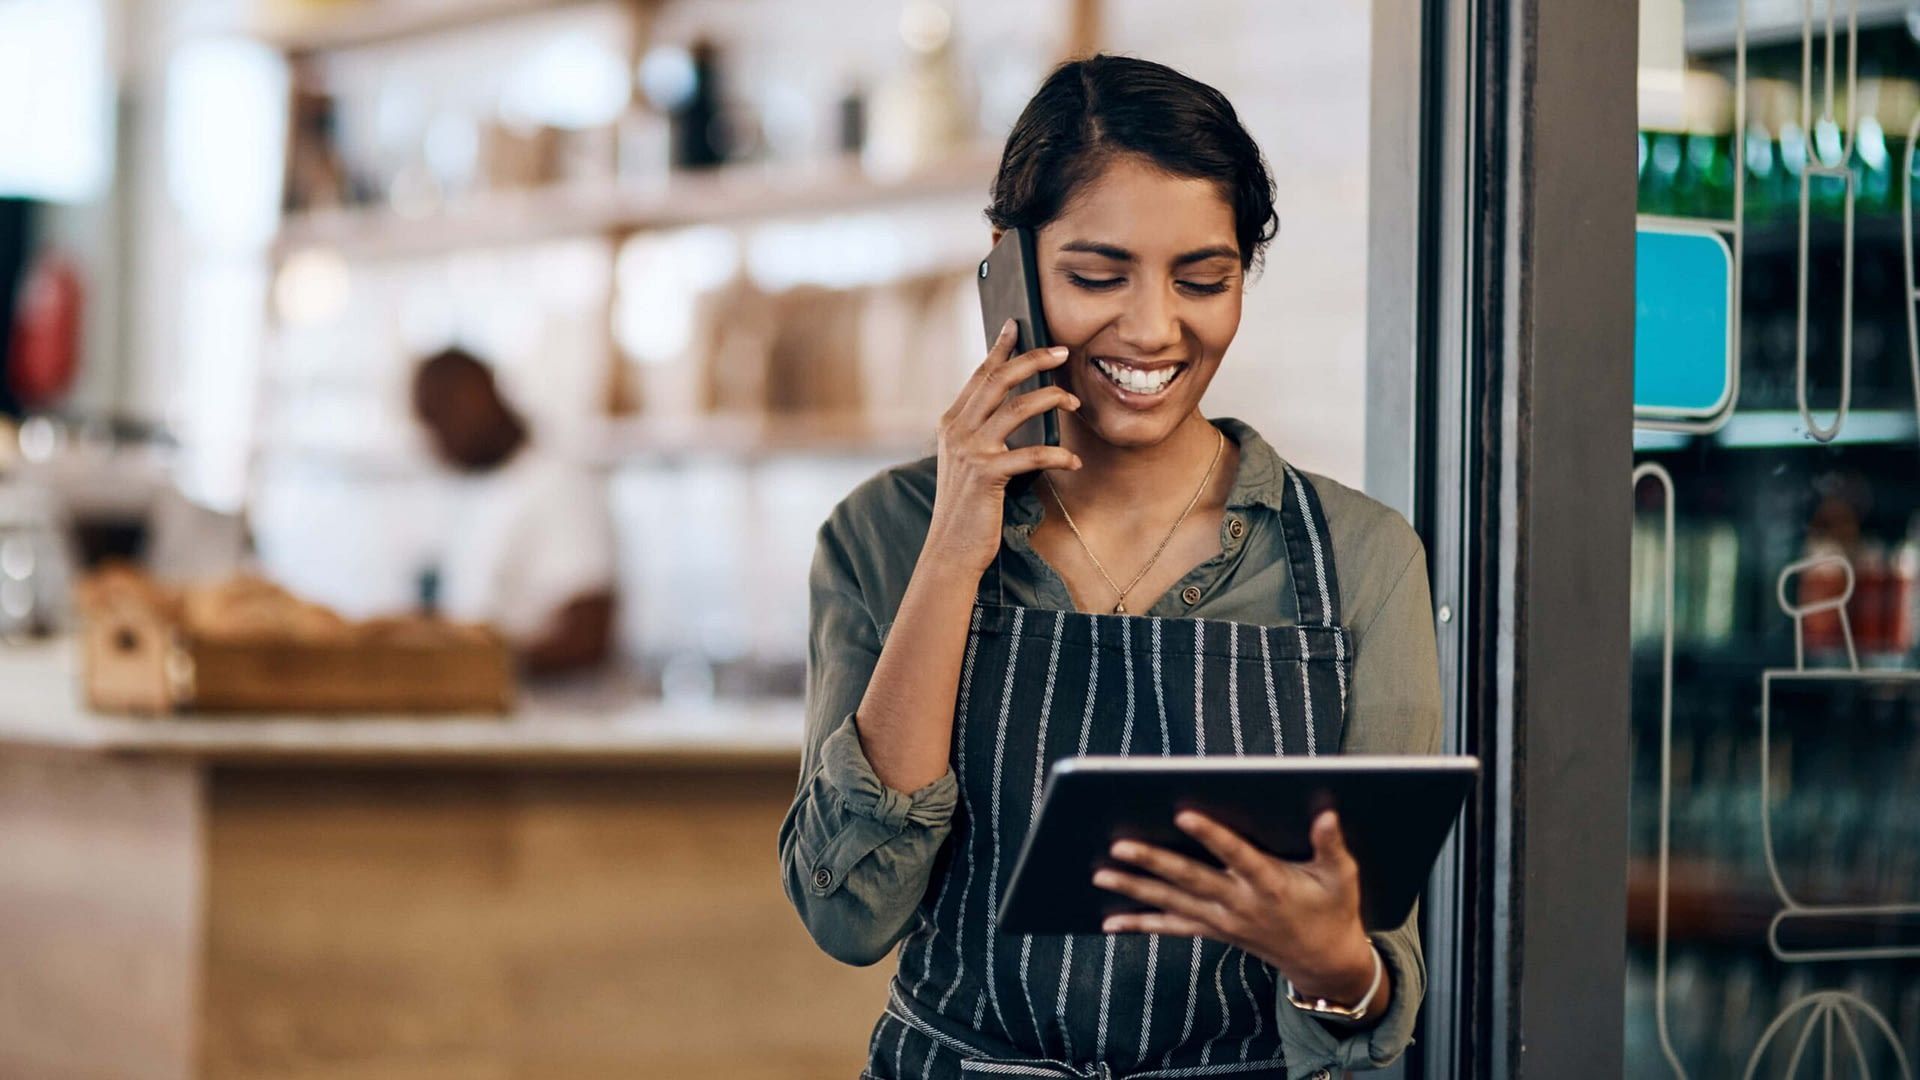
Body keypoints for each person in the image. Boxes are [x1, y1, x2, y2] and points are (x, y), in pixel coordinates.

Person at [777, 55, 1442, 1079]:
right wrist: (957, 545)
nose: (1152, 328)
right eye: (1098, 276)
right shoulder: (882, 533)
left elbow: (1370, 1002)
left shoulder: (1360, 561)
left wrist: (1330, 963)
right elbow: (849, 910)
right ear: (1009, 267)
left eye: (1203, 280)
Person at [410, 346, 618, 676]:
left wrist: (478, 665)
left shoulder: (559, 483)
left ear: (477, 398)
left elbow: (588, 633)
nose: (436, 444)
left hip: (550, 718)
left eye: (440, 420)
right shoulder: (477, 493)